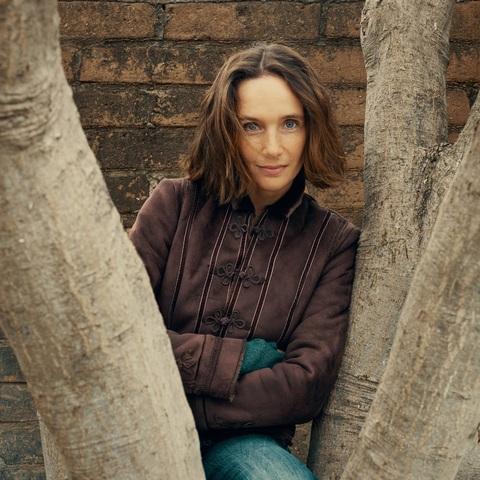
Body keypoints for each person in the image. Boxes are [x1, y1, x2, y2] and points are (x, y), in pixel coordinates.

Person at [128, 42, 361, 480]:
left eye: (290, 123)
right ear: (226, 131)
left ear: (311, 128)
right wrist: (250, 358)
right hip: (142, 426)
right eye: (251, 126)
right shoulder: (172, 204)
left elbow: (305, 385)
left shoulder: (334, 242)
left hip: (247, 442)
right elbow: (120, 333)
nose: (273, 147)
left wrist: (187, 391)